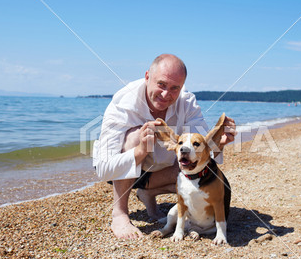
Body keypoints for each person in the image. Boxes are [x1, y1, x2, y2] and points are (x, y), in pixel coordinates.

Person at [93, 54, 236, 239]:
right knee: (137, 136)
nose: (166, 94)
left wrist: (220, 143)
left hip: (161, 170)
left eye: (175, 88)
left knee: (193, 163)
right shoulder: (123, 104)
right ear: (147, 77)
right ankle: (119, 214)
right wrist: (140, 150)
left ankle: (148, 193)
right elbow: (104, 170)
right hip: (125, 172)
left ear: (182, 86)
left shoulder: (187, 103)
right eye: (161, 84)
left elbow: (202, 152)